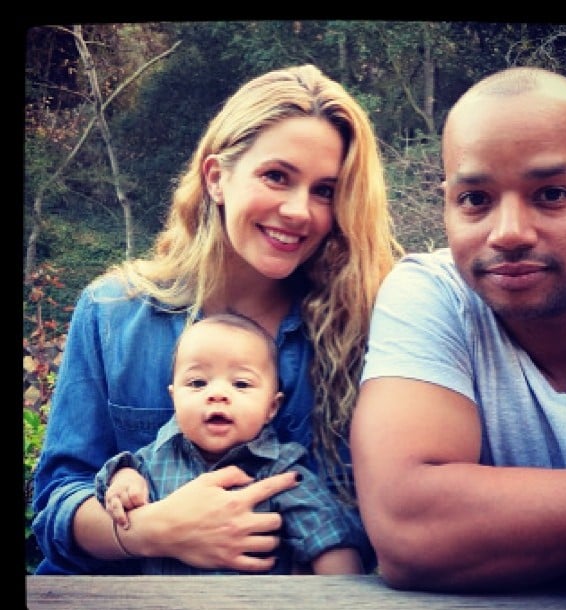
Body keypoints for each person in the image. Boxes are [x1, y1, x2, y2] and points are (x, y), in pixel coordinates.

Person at [32, 63, 403, 575]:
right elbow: (56, 504)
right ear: (217, 178)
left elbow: (389, 516)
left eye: (325, 190)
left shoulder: (366, 323)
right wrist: (156, 529)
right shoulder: (112, 312)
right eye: (276, 176)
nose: (300, 211)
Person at [350, 67, 566, 597]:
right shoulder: (430, 293)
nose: (510, 232)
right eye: (476, 200)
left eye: (552, 194)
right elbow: (409, 530)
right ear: (445, 202)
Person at [96, 312, 362, 575]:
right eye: (198, 382)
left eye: (241, 384)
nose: (217, 394)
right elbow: (112, 479)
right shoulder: (152, 460)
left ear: (272, 407)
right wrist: (124, 479)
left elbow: (328, 539)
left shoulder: (281, 471)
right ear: (174, 397)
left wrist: (337, 604)